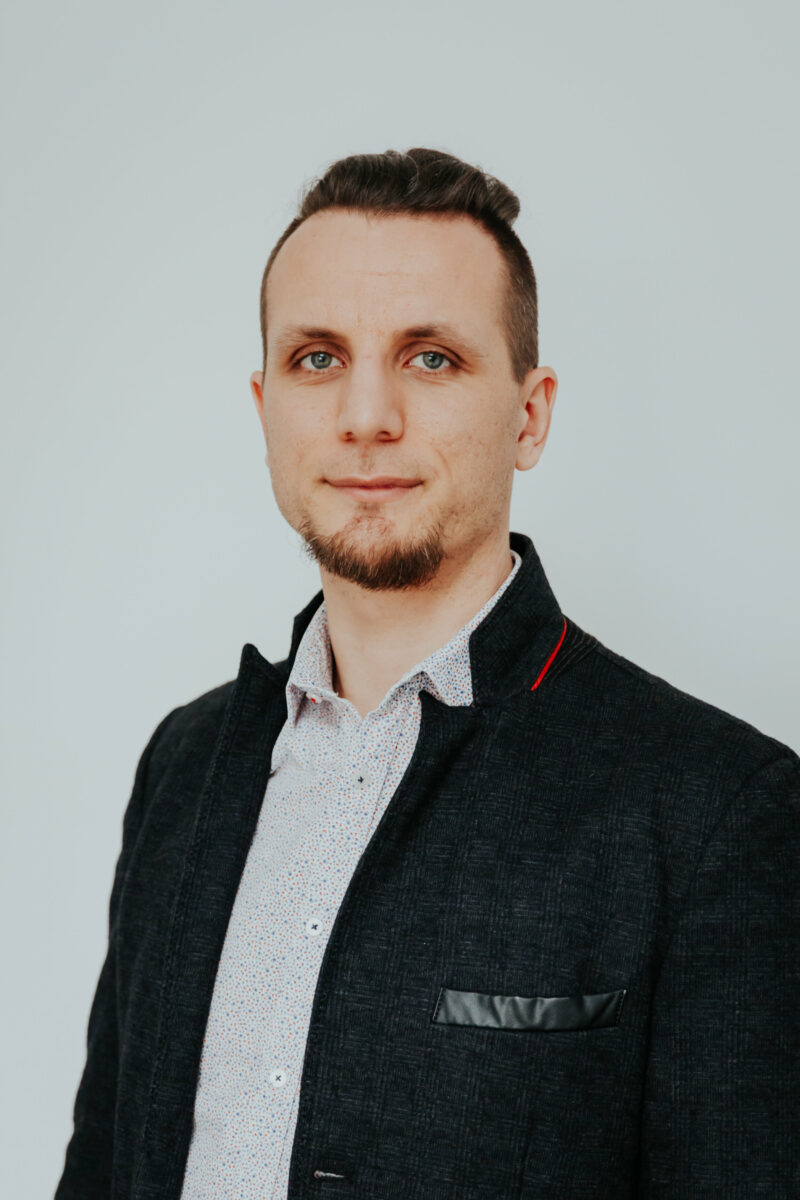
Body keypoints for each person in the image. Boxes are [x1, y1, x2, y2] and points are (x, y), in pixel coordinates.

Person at [54, 147, 799, 1200]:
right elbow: (103, 1162)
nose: (366, 415)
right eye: (318, 359)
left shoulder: (716, 812)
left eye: (430, 359)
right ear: (263, 406)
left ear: (528, 414)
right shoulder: (184, 763)